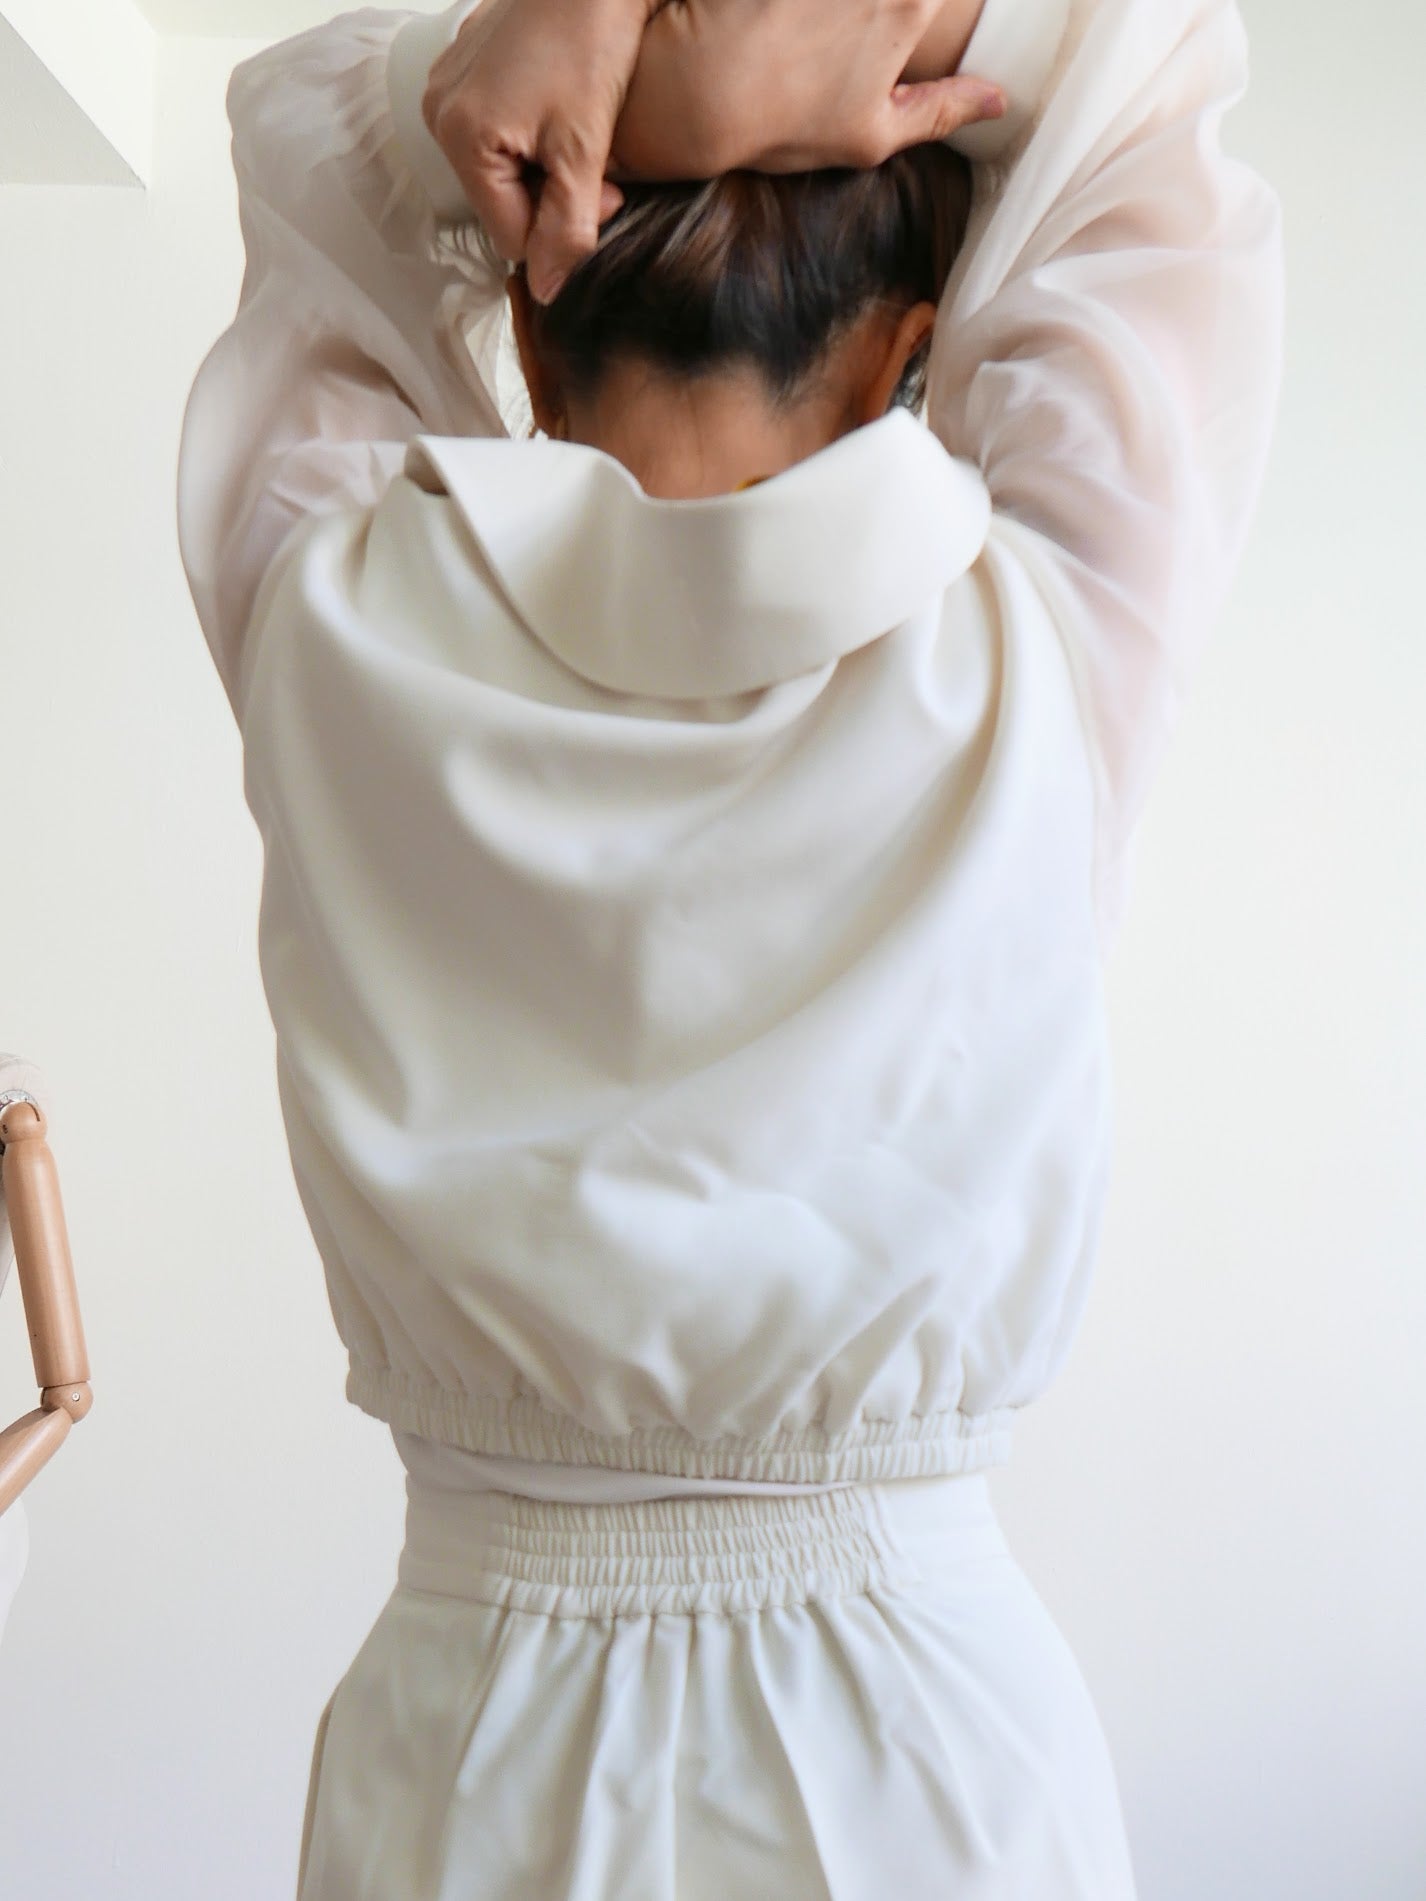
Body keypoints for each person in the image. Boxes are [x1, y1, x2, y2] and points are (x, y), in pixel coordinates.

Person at [175, 0, 1283, 1894]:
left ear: (523, 323)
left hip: (466, 1755)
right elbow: (1148, 62)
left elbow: (304, 134)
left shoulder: (326, 621)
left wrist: (581, 43)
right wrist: (733, 59)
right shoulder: (1044, 648)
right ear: (913, 350)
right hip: (930, 1768)